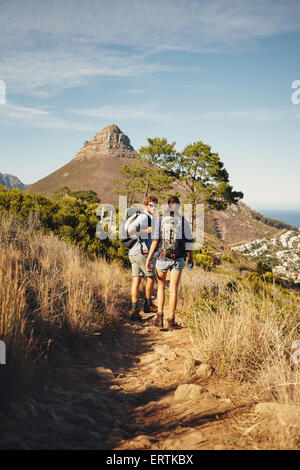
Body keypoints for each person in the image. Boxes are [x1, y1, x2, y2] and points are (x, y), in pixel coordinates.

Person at [146, 196, 194, 330]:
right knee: (173, 290)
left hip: (162, 258)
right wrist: (191, 258)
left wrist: (149, 259)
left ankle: (159, 319)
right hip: (178, 259)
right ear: (178, 206)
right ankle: (171, 321)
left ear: (168, 206)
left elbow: (155, 241)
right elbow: (189, 242)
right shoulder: (184, 221)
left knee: (161, 287)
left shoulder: (160, 220)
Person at [128, 195, 158, 321]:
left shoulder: (147, 217)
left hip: (133, 253)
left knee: (137, 279)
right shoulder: (144, 217)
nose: (154, 208)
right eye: (152, 205)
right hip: (142, 252)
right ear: (146, 205)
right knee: (151, 277)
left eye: (156, 205)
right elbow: (131, 229)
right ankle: (148, 304)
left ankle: (134, 310)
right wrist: (147, 231)